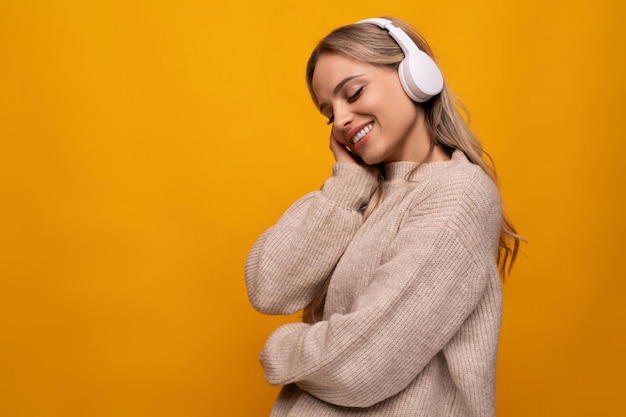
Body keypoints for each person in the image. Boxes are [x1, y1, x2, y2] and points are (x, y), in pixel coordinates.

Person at [244, 16, 521, 417]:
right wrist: (348, 185)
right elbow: (269, 289)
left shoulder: (457, 195)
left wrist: (280, 350)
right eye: (329, 113)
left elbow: (362, 363)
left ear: (416, 77)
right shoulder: (360, 193)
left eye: (353, 93)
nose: (340, 120)